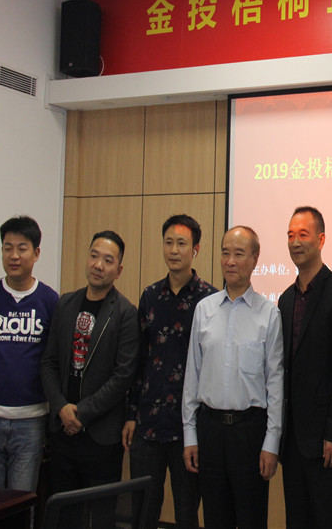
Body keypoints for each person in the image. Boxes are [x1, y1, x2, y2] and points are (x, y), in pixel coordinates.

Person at [182, 226, 284, 529]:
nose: (230, 261)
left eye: (239, 254)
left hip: (249, 433)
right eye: (225, 253)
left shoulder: (269, 314)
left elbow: (275, 383)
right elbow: (192, 377)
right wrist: (190, 435)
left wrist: (271, 442)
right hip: (210, 430)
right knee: (215, 518)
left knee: (252, 519)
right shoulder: (204, 310)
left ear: (255, 259)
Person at [40, 230, 140, 529]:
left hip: (101, 435)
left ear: (118, 270)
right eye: (94, 256)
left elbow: (123, 376)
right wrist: (61, 408)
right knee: (64, 516)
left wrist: (81, 413)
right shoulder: (66, 303)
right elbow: (49, 361)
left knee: (102, 517)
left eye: (108, 260)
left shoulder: (125, 313)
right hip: (62, 431)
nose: (98, 265)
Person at [123, 214, 217, 529]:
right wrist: (131, 414)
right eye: (168, 242)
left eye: (182, 244)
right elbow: (139, 360)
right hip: (148, 424)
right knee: (143, 512)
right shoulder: (150, 296)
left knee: (187, 514)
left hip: (189, 428)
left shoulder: (210, 300)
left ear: (196, 250)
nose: (174, 250)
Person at [278, 206, 332, 529]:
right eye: (290, 235)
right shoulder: (285, 299)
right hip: (292, 442)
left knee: (330, 521)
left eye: (303, 234)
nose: (295, 242)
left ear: (321, 239)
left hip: (327, 442)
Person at [0, 216, 59, 491]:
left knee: (21, 503)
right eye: (7, 248)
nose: (13, 255)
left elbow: (52, 359)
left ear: (36, 253)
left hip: (30, 421)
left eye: (22, 248)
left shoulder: (50, 300)